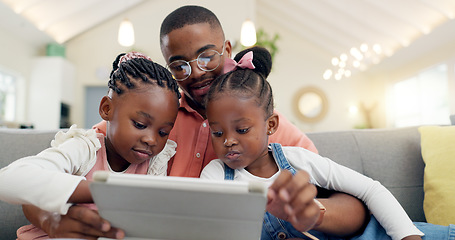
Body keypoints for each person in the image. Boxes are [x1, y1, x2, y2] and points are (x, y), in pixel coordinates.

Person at [20, 5, 369, 238]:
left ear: (228, 50)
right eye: (179, 64)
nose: (196, 72)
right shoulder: (149, 125)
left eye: (207, 56)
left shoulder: (269, 130)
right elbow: (45, 180)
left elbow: (355, 207)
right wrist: (51, 219)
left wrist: (315, 212)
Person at [200, 46, 455, 240]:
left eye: (242, 129)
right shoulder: (215, 175)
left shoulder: (297, 159)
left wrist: (407, 236)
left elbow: (371, 189)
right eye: (217, 133)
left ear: (271, 125)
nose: (229, 141)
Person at [0, 52, 181, 239]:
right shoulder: (84, 148)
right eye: (140, 125)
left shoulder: (156, 163)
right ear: (106, 109)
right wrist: (102, 193)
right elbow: (9, 180)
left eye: (163, 133)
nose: (151, 140)